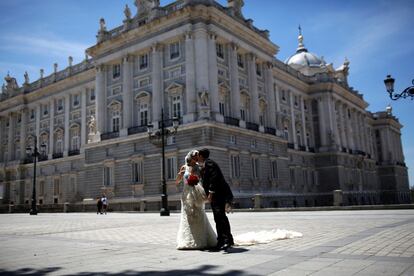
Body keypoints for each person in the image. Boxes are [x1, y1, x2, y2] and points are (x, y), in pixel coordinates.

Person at [175, 150, 217, 250]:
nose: (196, 158)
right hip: (186, 195)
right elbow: (177, 182)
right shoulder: (184, 167)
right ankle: (187, 240)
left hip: (197, 193)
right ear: (190, 157)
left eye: (197, 157)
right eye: (194, 156)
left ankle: (201, 239)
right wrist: (180, 175)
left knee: (198, 213)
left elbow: (204, 180)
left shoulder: (200, 167)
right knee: (187, 215)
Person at [197, 148, 234, 250]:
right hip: (217, 195)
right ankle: (222, 240)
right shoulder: (206, 164)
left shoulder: (209, 163)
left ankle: (227, 241)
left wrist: (211, 193)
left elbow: (214, 178)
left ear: (201, 155)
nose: (197, 158)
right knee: (218, 218)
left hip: (219, 194)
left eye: (198, 156)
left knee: (221, 217)